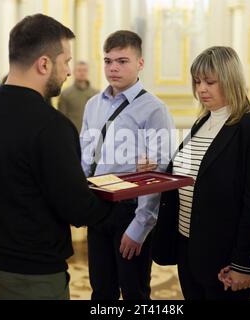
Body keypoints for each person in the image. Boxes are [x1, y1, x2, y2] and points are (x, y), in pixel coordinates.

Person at [0, 14, 112, 300]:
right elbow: (77, 208)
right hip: (30, 275)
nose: (68, 71)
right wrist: (120, 206)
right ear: (44, 63)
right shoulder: (51, 126)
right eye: (65, 61)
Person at [151, 46, 250, 300]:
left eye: (210, 82)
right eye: (197, 82)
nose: (201, 89)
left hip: (225, 258)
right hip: (188, 247)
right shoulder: (203, 122)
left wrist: (243, 264)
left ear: (231, 80)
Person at [80, 30, 174, 300]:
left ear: (140, 64)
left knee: (134, 292)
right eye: (108, 61)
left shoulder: (154, 109)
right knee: (101, 290)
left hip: (130, 211)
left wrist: (140, 225)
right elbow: (86, 158)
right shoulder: (93, 105)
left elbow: (158, 172)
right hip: (98, 206)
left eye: (122, 61)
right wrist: (81, 203)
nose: (113, 68)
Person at [58, 61, 98, 133]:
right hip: (72, 134)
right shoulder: (66, 94)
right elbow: (61, 118)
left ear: (88, 72)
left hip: (91, 135)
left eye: (84, 70)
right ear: (74, 72)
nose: (82, 73)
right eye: (79, 70)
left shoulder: (96, 94)